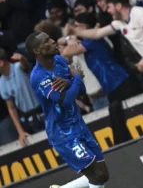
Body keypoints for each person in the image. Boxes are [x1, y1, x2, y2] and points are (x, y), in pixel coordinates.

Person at [25, 32, 109, 188]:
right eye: (46, 41)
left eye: (50, 38)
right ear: (37, 51)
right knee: (97, 175)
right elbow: (66, 100)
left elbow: (82, 90)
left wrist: (71, 83)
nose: (52, 41)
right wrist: (76, 78)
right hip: (63, 134)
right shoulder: (39, 76)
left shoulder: (59, 61)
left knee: (102, 174)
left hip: (79, 125)